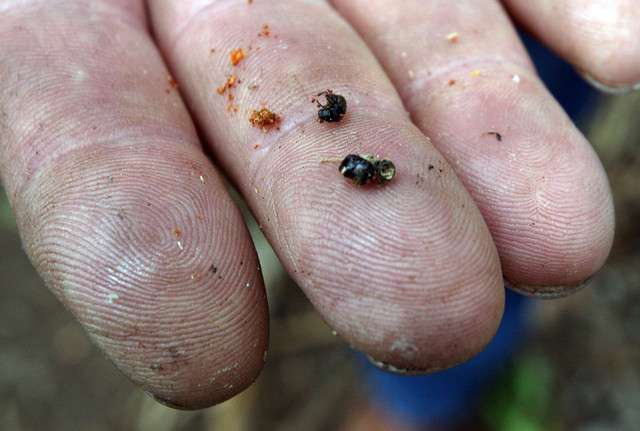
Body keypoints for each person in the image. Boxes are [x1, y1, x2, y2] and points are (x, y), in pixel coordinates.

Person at [0, 0, 637, 413]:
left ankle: (423, 404)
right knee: (444, 263)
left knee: (493, 213)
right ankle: (417, 402)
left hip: (511, 50)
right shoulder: (350, 153)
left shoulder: (363, 156)